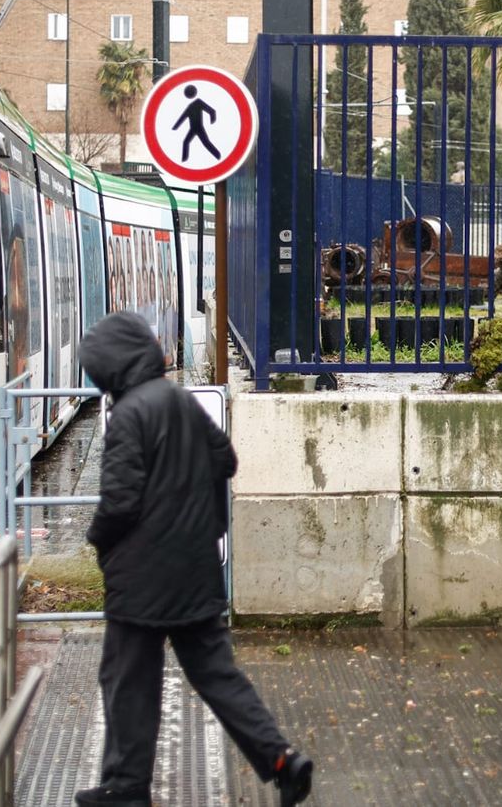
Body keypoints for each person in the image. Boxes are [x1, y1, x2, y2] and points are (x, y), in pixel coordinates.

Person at [75, 311, 313, 807]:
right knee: (216, 675)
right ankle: (281, 761)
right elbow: (224, 459)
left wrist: (97, 540)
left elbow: (119, 502)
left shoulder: (128, 416)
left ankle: (126, 786)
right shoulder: (180, 401)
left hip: (140, 581)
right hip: (196, 571)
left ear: (111, 369)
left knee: (127, 681)